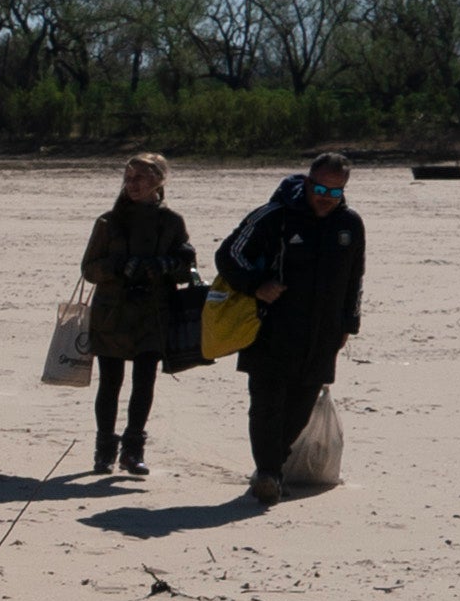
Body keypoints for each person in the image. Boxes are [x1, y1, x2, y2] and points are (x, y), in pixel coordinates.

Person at [213, 150, 371, 500]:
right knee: (267, 403)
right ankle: (268, 473)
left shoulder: (350, 224)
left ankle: (273, 467)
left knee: (299, 408)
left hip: (322, 334)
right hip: (270, 328)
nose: (325, 198)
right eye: (319, 189)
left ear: (344, 189)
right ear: (307, 181)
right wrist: (257, 284)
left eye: (335, 192)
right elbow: (227, 255)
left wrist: (349, 323)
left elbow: (354, 278)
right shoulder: (275, 216)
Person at [75, 153, 194, 480]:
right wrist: (118, 268)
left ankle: (133, 450)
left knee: (145, 383)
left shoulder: (171, 222)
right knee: (110, 384)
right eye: (128, 178)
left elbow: (188, 267)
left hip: (153, 314)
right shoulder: (108, 222)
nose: (132, 184)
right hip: (112, 314)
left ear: (159, 180)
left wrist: (166, 266)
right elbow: (89, 269)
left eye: (140, 178)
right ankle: (104, 450)